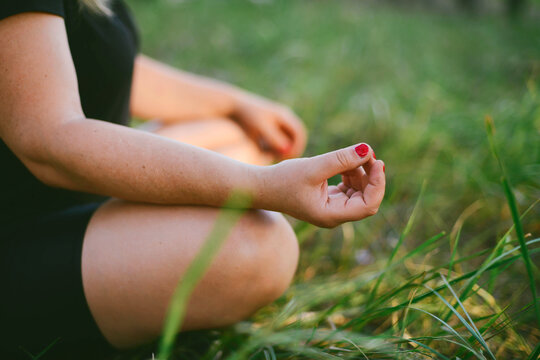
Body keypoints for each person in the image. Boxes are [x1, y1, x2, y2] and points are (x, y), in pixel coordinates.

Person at [0, 0, 386, 358]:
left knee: (243, 138)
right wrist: (263, 186)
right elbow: (48, 141)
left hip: (66, 196)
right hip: (18, 233)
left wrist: (235, 104)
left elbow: (95, 61)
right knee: (261, 245)